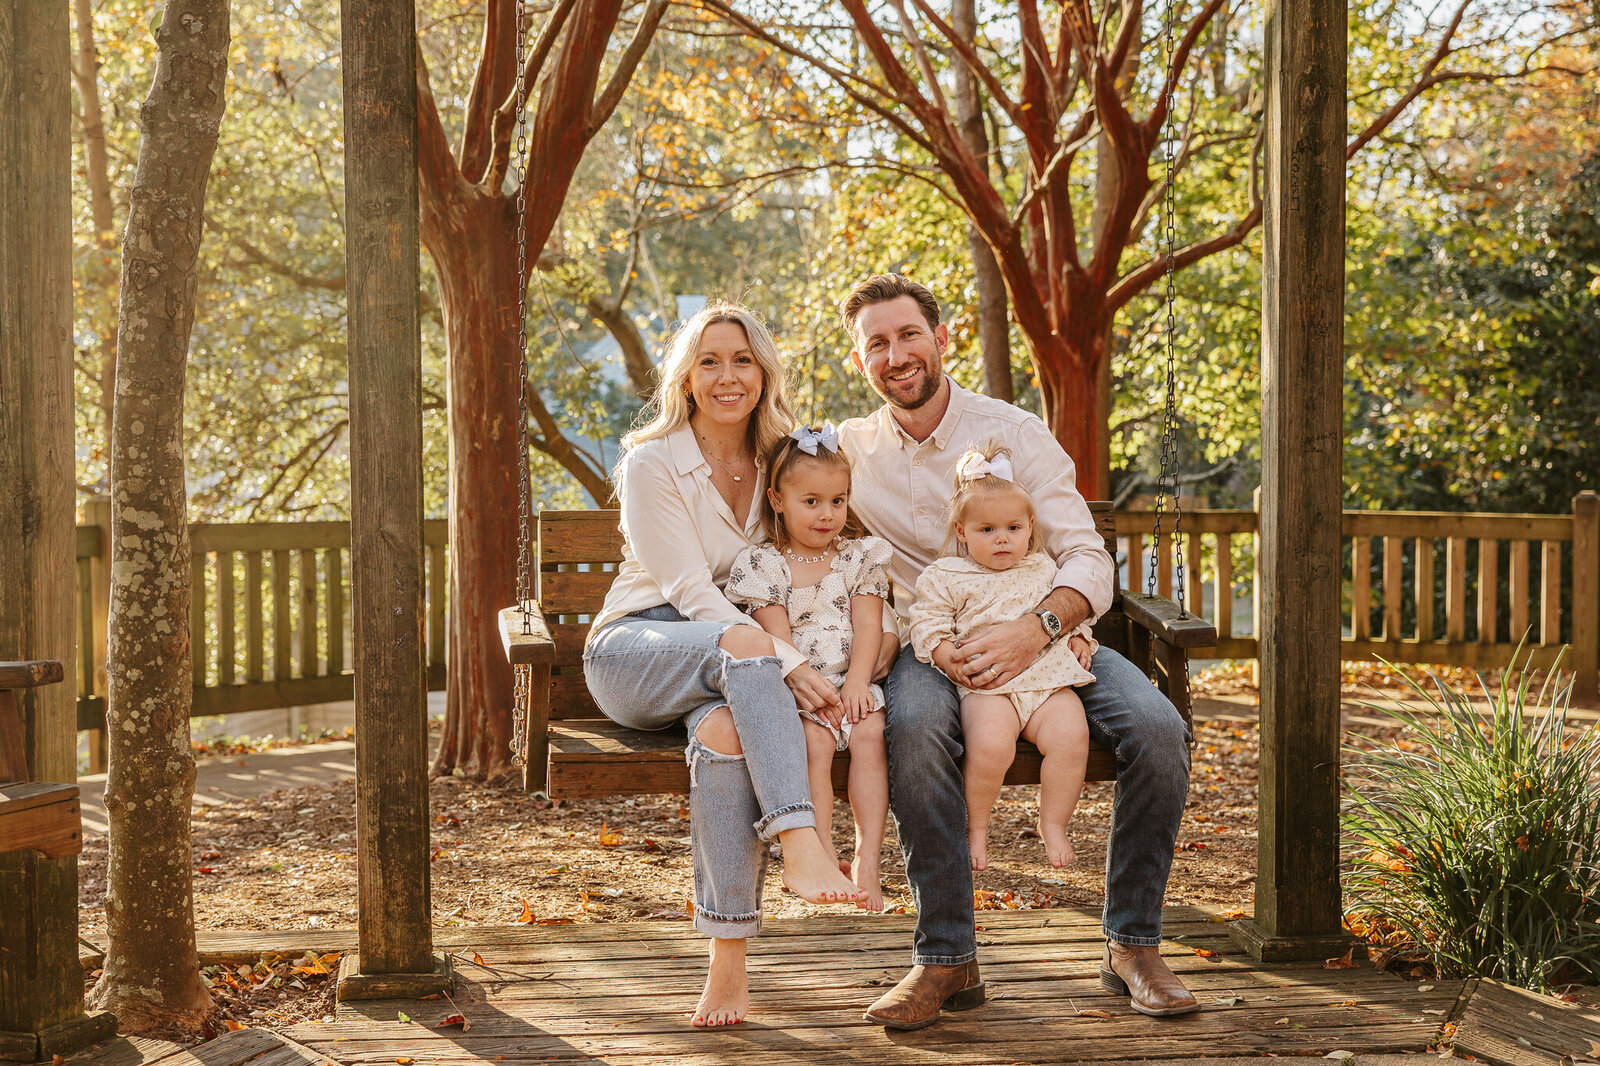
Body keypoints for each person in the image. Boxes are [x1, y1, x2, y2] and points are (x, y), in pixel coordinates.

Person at [835, 274, 1199, 1028]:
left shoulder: (1014, 431)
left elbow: (1088, 558)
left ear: (942, 339)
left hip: (1051, 637)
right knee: (914, 735)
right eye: (877, 343)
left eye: (909, 335)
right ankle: (946, 960)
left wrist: (1037, 624)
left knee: (1160, 733)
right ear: (860, 360)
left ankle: (1132, 944)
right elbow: (783, 503)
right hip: (936, 647)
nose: (896, 354)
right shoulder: (851, 449)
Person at [581, 303, 864, 1030]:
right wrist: (787, 658)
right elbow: (688, 592)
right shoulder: (653, 462)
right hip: (638, 649)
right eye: (709, 361)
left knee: (726, 740)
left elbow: (831, 543)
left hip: (734, 668)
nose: (727, 375)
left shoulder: (780, 461)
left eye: (741, 359)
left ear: (763, 371)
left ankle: (728, 966)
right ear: (687, 376)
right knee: (740, 649)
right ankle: (800, 840)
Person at [726, 423, 894, 910]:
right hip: (800, 691)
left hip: (853, 683)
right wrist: (818, 695)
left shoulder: (859, 557)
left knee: (871, 737)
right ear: (778, 500)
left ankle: (867, 861)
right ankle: (819, 852)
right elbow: (777, 640)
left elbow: (869, 625)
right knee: (815, 747)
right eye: (812, 502)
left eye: (838, 501)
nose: (827, 514)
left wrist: (859, 683)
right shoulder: (764, 565)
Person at [908, 442, 1096, 872]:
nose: (1002, 539)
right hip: (988, 687)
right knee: (990, 748)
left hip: (1047, 683)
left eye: (1013, 528)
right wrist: (944, 653)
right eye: (987, 530)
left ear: (1030, 527)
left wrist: (1082, 637)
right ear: (962, 532)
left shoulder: (1043, 568)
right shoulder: (946, 575)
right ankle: (976, 826)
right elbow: (926, 622)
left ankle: (1053, 823)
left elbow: (1070, 613)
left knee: (1071, 737)